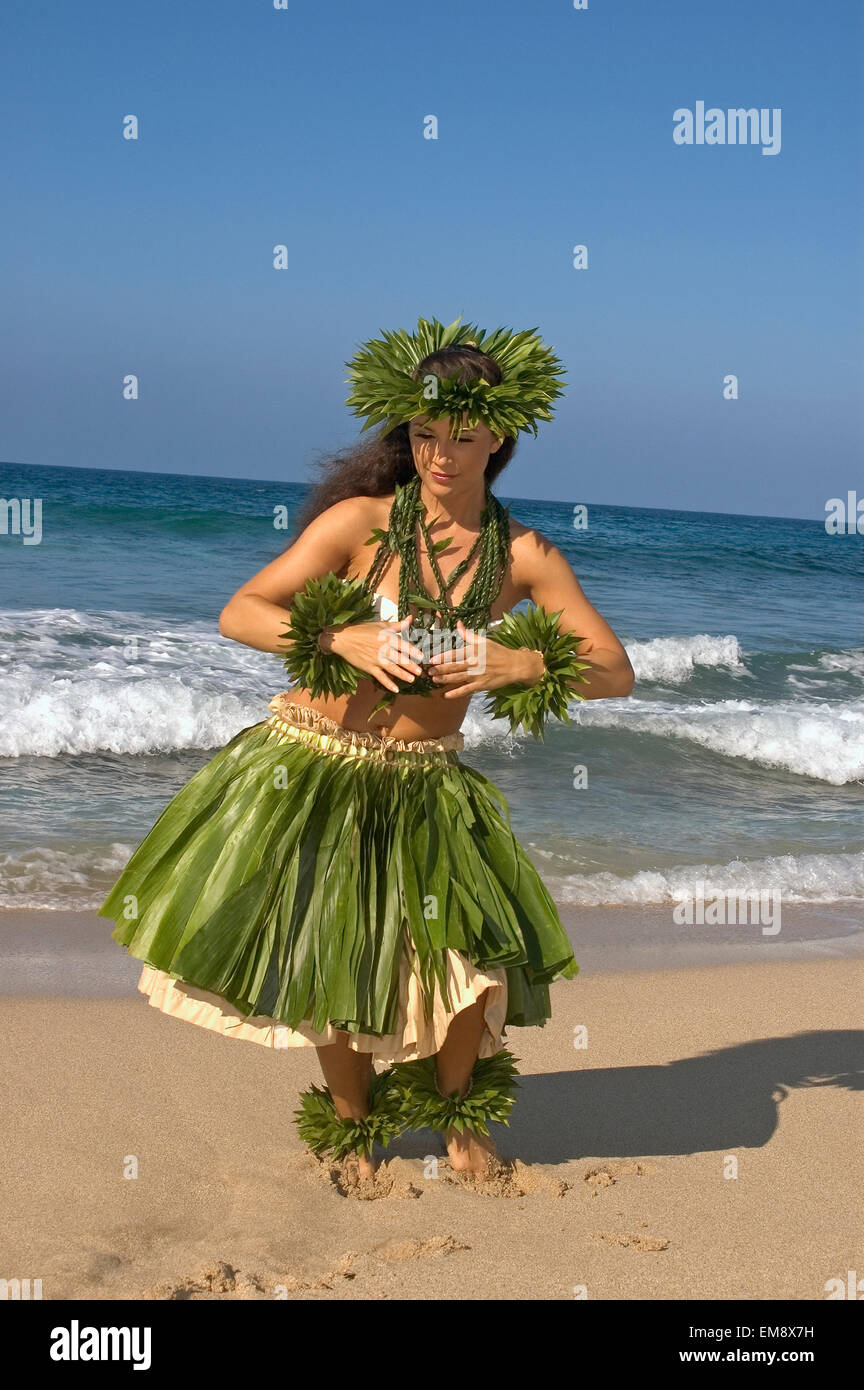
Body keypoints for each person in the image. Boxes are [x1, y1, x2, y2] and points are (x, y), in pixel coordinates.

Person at [99, 316, 634, 1181]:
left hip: (427, 785)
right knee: (328, 955)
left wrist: (519, 659)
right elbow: (241, 611)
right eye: (424, 435)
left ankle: (461, 1119)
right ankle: (356, 1125)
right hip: (309, 768)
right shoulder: (359, 523)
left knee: (469, 960)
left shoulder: (523, 558)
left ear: (500, 436)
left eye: (462, 437)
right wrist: (339, 640)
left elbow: (615, 672)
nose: (440, 456)